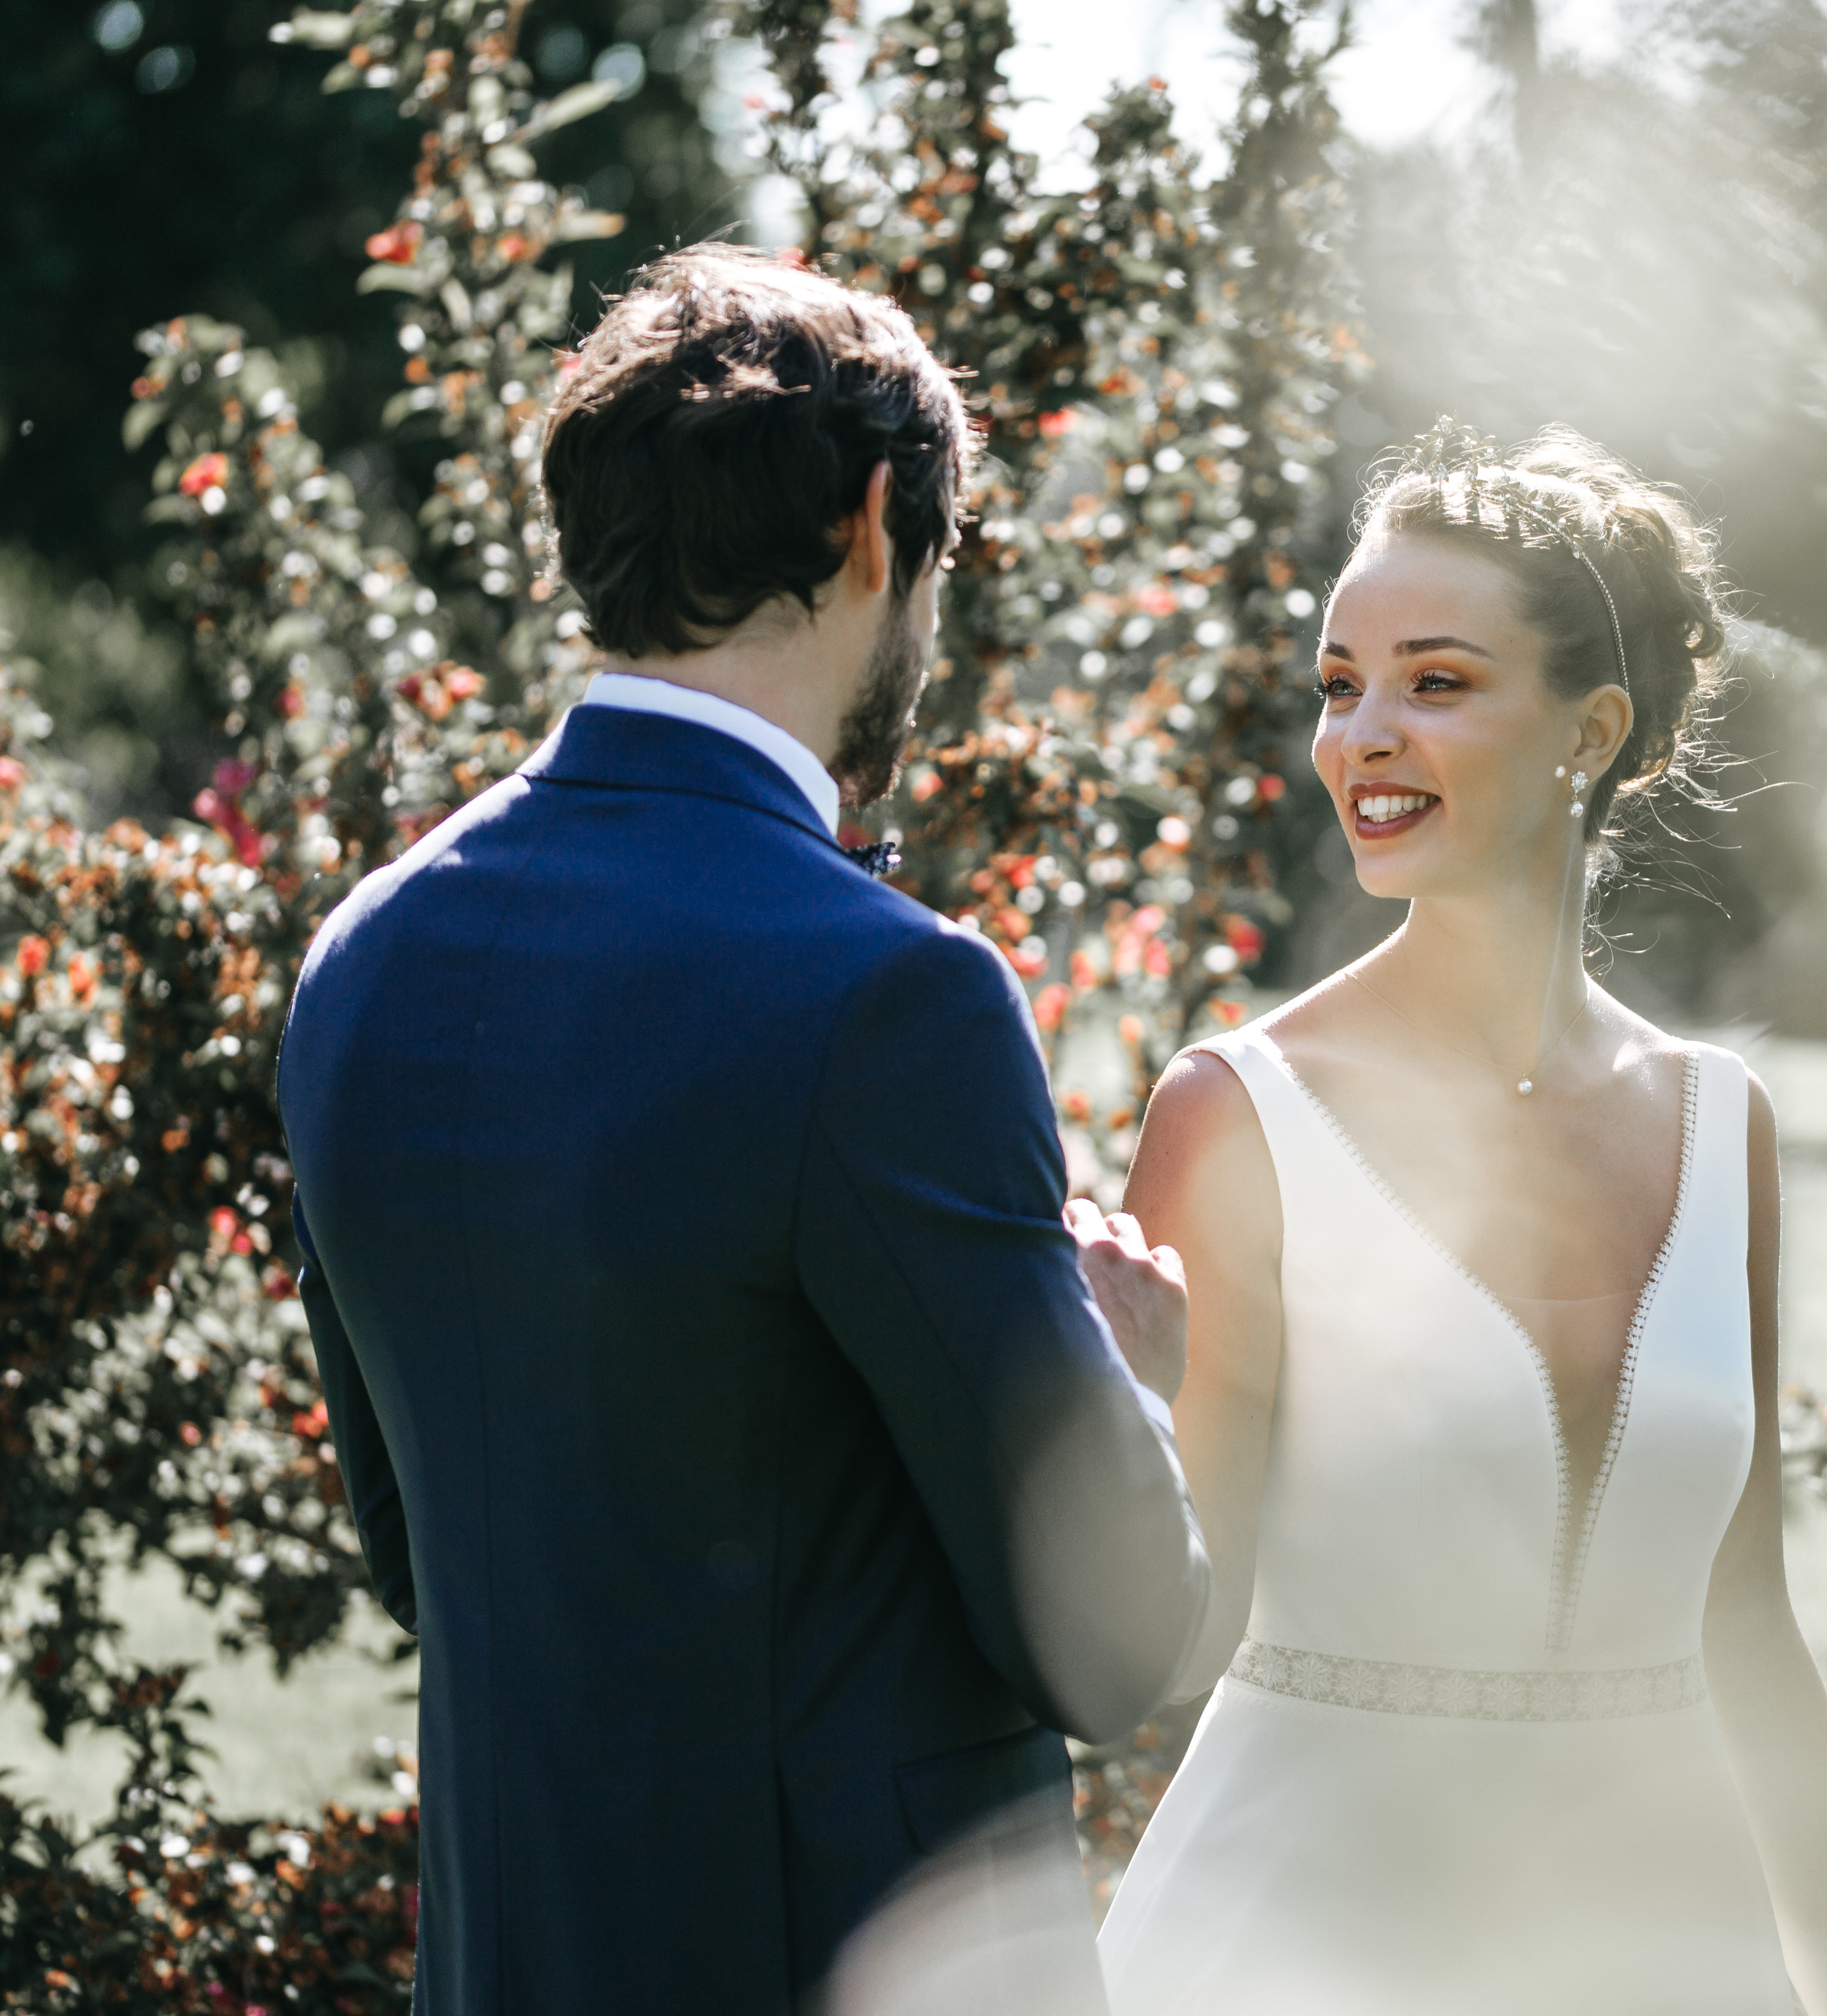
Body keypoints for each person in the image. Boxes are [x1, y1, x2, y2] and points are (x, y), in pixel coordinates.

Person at [275, 244, 1210, 2015]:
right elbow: (1112, 1643)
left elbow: (420, 1554)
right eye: (936, 563)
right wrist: (1134, 1381)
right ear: (873, 527)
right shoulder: (894, 996)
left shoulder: (360, 961)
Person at [1096, 423, 1827, 2015]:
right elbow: (1166, 1644)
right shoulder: (1237, 1115)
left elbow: (1747, 1622)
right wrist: (1123, 1397)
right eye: (1340, 684)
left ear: (1589, 731)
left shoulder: (1720, 1127)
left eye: (1436, 682)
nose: (1362, 737)